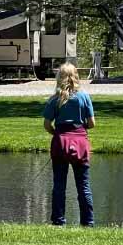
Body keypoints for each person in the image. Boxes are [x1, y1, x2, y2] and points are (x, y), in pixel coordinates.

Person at [42, 62, 95, 227]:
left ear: (59, 78)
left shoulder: (54, 99)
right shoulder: (84, 97)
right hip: (80, 142)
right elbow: (92, 123)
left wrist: (57, 134)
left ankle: (58, 221)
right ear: (76, 76)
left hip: (60, 142)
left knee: (59, 185)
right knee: (83, 186)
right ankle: (88, 222)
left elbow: (46, 124)